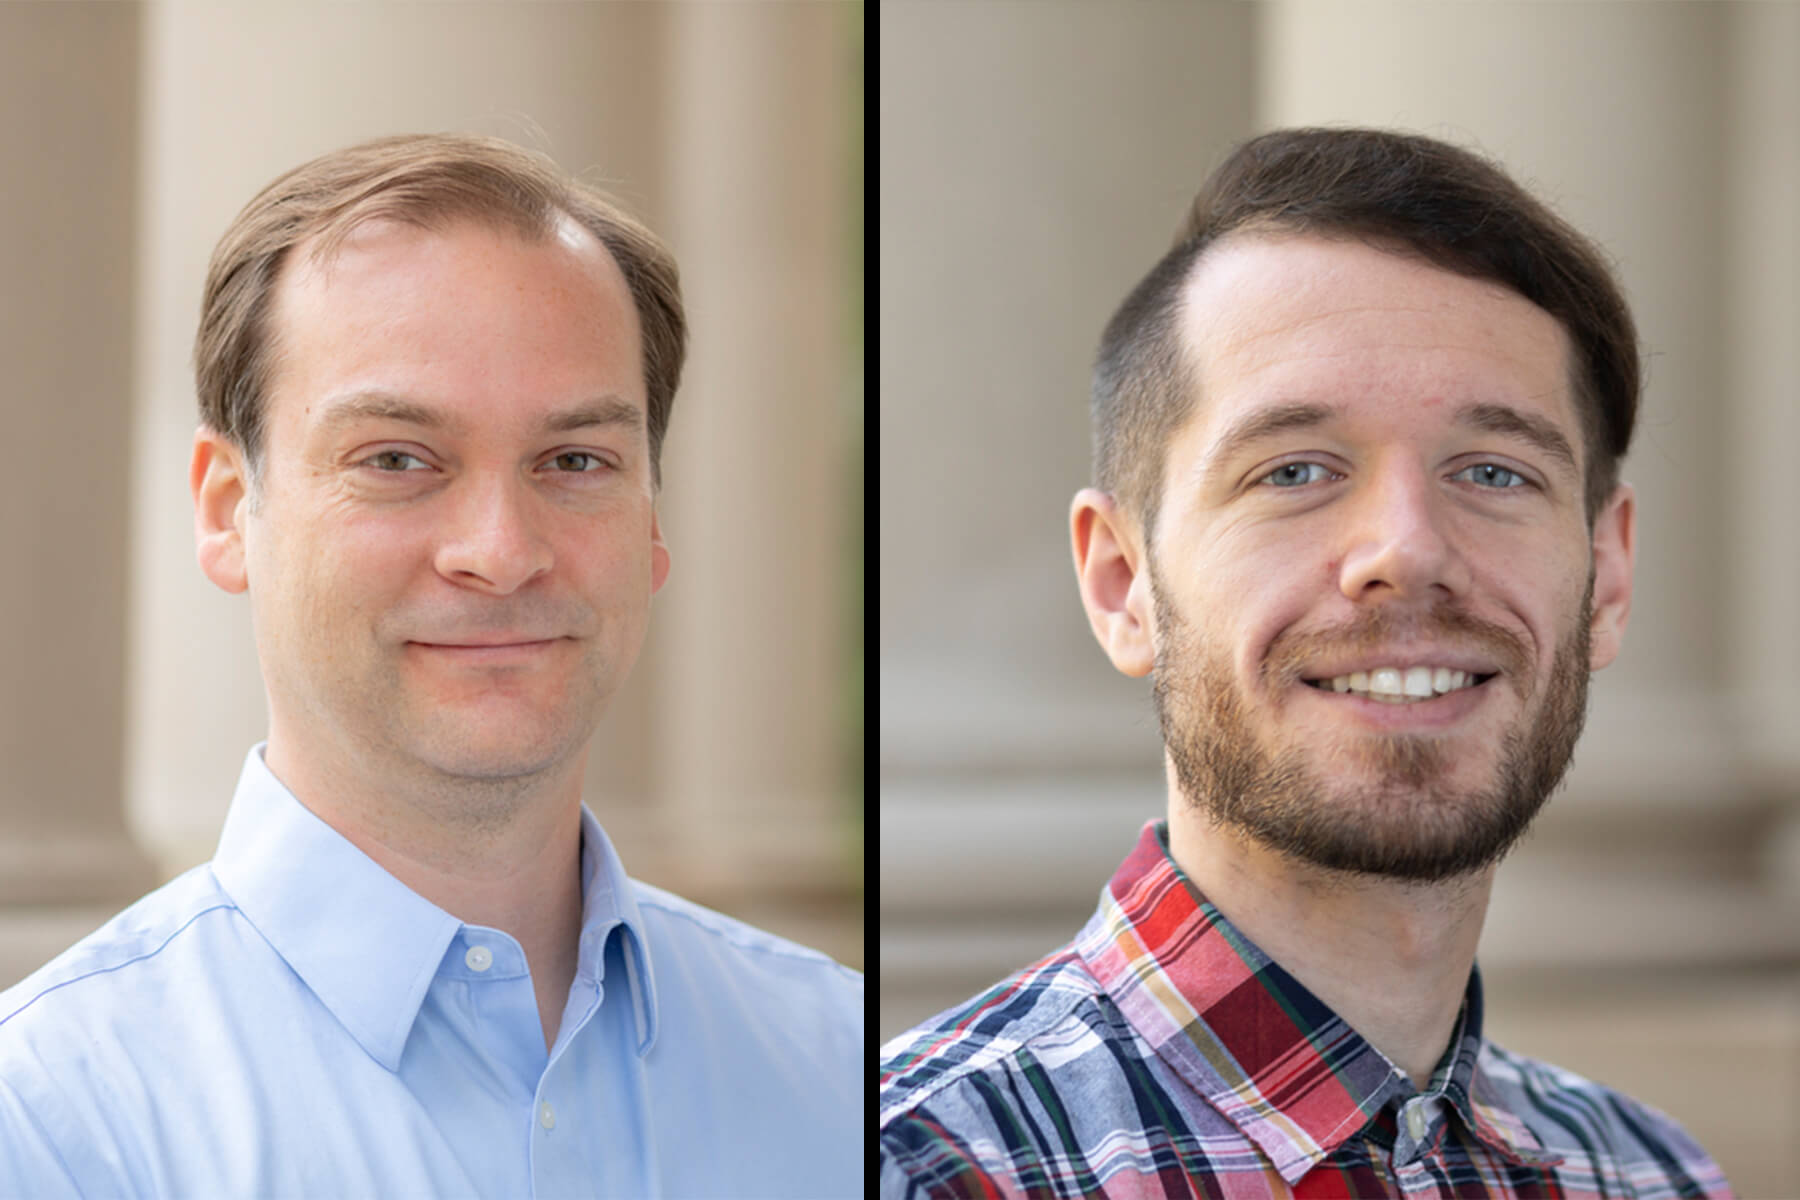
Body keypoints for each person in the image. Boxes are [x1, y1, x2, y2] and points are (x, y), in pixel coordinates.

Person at [0, 133, 861, 1198]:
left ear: (651, 525)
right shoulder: (47, 1121)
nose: (499, 550)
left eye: (576, 460)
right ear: (228, 510)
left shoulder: (839, 1063)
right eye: (397, 460)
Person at [879, 128, 1730, 1198]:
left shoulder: (1650, 1176)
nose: (1408, 549)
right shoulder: (917, 1168)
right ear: (1121, 584)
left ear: (1605, 574)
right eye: (1295, 470)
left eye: (1495, 472)